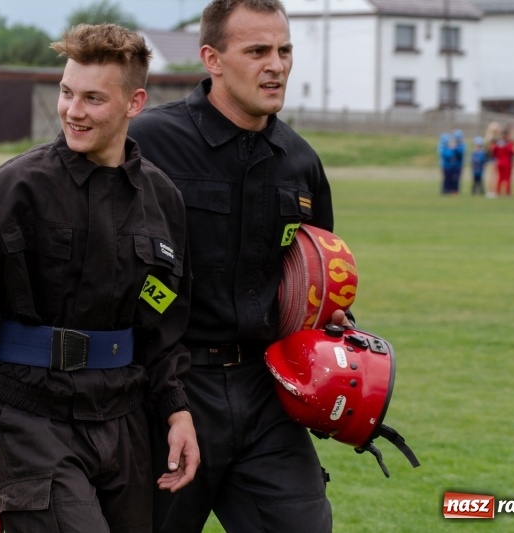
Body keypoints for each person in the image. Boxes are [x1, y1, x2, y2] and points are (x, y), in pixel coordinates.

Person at [0, 23, 199, 532]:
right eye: (67, 93)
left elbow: (163, 320)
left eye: (93, 98)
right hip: (31, 413)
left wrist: (176, 410)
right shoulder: (16, 188)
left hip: (124, 414)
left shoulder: (164, 202)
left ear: (134, 102)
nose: (74, 110)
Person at [128, 1, 345, 532]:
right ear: (212, 59)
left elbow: (317, 279)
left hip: (266, 392)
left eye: (284, 50)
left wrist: (338, 333)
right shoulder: (147, 141)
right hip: (169, 388)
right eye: (257, 51)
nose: (276, 65)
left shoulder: (300, 161)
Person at [492, 124, 514, 196]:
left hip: (499, 162)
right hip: (507, 162)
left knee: (499, 178)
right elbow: (512, 151)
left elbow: (494, 151)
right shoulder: (509, 143)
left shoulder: (498, 143)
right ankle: (507, 193)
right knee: (507, 178)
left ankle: (498, 192)